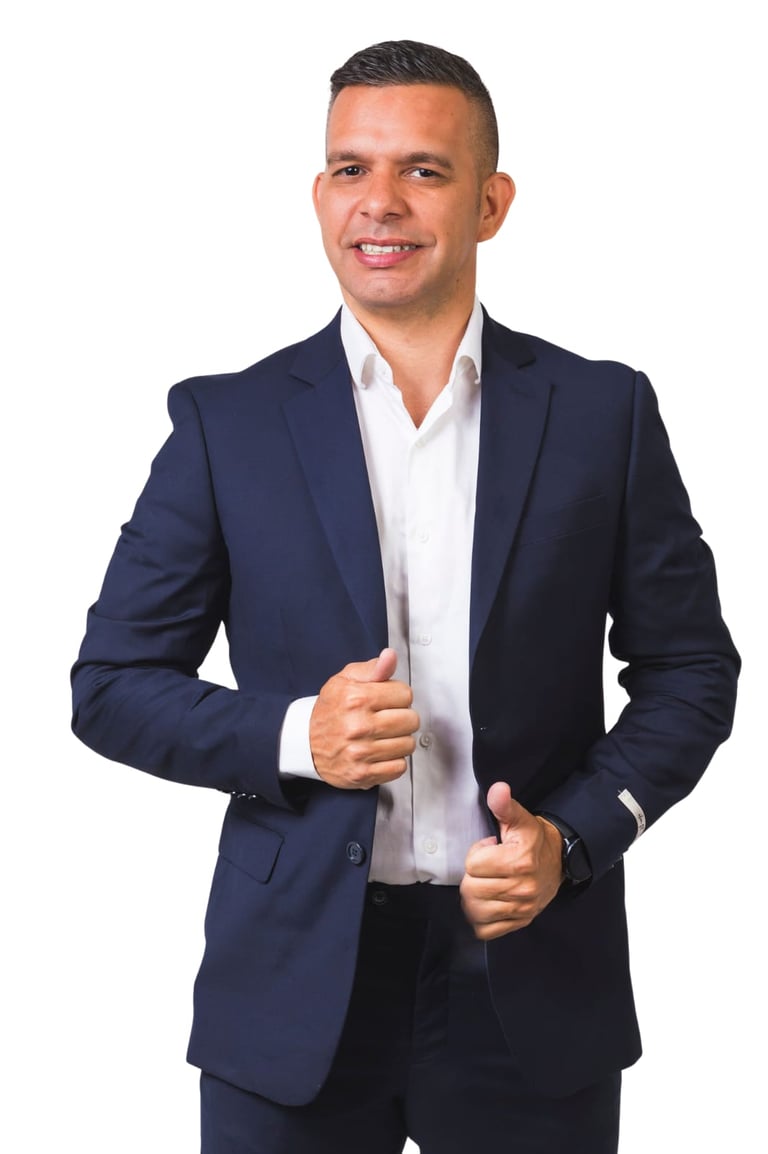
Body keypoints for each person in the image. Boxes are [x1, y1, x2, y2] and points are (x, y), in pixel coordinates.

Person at [71, 39, 739, 1154]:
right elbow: (110, 685)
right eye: (351, 168)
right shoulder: (225, 424)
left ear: (491, 203)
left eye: (423, 170)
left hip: (531, 974)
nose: (379, 201)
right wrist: (298, 736)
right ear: (319, 195)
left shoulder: (602, 413)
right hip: (292, 984)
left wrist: (573, 839)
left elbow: (690, 671)